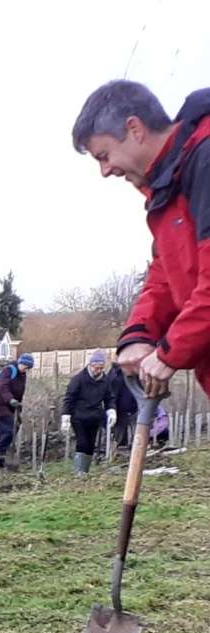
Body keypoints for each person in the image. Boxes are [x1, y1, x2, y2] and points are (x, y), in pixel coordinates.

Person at [72, 81, 210, 398]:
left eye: (104, 155)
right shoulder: (167, 190)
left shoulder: (204, 162)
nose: (105, 171)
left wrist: (169, 353)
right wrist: (139, 333)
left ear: (134, 128)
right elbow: (166, 273)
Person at [60, 350, 117, 475]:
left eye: (102, 368)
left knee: (91, 445)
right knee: (82, 442)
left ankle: (85, 471)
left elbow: (109, 398)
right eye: (97, 368)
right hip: (79, 416)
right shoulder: (78, 379)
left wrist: (111, 411)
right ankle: (78, 471)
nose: (99, 371)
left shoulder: (105, 380)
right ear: (91, 366)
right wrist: (66, 417)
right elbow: (69, 398)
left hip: (95, 416)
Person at [0, 353, 35, 470]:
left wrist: (18, 408)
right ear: (20, 362)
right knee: (9, 429)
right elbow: (3, 387)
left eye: (27, 367)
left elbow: (19, 393)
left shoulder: (22, 375)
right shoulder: (9, 370)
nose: (25, 368)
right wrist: (10, 399)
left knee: (14, 427)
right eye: (23, 365)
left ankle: (0, 457)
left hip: (10, 406)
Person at [107, 361, 139, 452]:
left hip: (134, 409)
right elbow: (111, 394)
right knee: (118, 437)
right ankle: (116, 454)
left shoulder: (136, 372)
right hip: (119, 411)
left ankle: (135, 455)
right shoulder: (114, 375)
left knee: (138, 437)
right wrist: (112, 409)